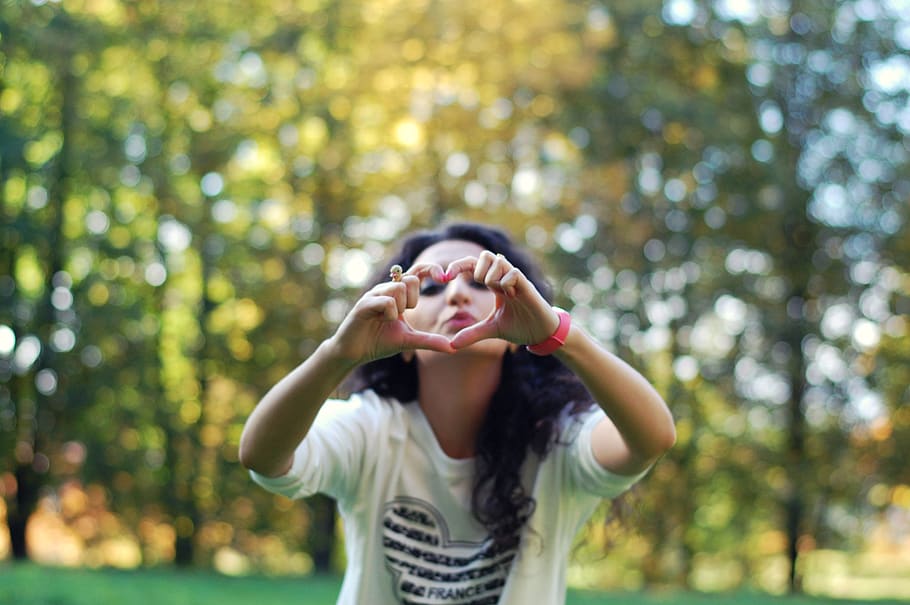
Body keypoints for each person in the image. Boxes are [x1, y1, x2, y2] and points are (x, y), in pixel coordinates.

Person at [239, 222, 676, 604]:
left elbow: (651, 438)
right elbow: (264, 458)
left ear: (515, 338)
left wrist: (559, 334)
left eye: (480, 283)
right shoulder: (371, 426)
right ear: (402, 341)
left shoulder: (557, 438)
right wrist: (337, 355)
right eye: (430, 287)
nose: (456, 293)